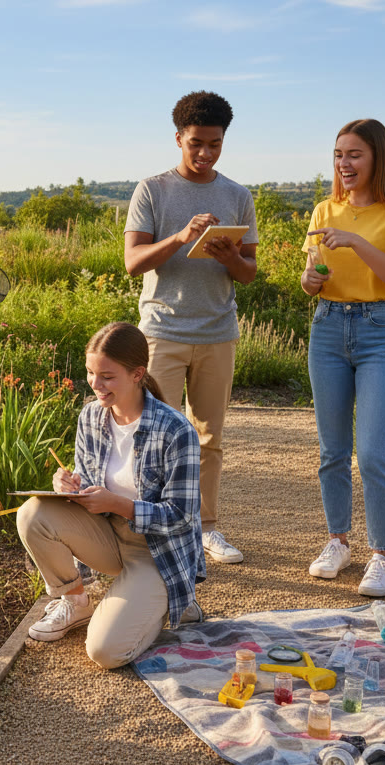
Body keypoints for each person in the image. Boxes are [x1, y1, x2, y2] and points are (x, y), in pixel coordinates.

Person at [16, 322, 204, 669]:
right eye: (90, 373)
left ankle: (168, 598)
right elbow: (89, 479)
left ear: (137, 374)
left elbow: (182, 517)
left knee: (105, 652)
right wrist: (69, 485)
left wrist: (118, 504)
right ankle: (75, 602)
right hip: (107, 535)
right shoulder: (91, 415)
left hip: (156, 552)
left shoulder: (176, 430)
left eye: (107, 376)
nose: (95, 385)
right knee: (32, 513)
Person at [124, 90, 258, 566]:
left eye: (215, 145)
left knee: (209, 438)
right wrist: (181, 237)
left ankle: (207, 527)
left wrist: (228, 256)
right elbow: (132, 262)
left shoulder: (238, 195)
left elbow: (249, 272)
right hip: (162, 330)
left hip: (218, 333)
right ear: (178, 138)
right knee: (154, 433)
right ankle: (148, 528)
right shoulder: (153, 190)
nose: (205, 154)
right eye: (196, 143)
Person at [300, 119, 385, 597]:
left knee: (372, 450)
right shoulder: (323, 208)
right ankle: (338, 541)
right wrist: (311, 281)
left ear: (377, 158)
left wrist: (355, 241)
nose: (343, 164)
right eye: (338, 154)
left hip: (380, 331)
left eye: (354, 154)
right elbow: (311, 277)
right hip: (328, 327)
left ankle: (383, 555)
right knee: (332, 450)